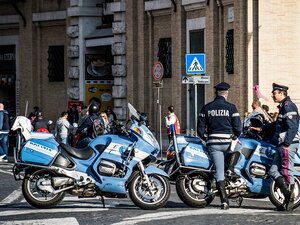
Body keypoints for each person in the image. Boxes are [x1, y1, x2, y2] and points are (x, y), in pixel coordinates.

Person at [251, 83, 299, 211]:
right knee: (273, 171)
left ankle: (291, 200)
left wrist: (287, 143)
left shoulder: (289, 107)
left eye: (274, 93)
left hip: (288, 144)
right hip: (281, 144)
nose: (272, 95)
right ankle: (287, 196)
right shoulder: (283, 107)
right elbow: (276, 125)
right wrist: (261, 128)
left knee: (286, 172)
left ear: (281, 93)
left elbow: (293, 127)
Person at [197, 82, 242, 210]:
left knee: (219, 173)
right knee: (239, 148)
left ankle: (224, 202)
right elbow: (238, 127)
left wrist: (206, 138)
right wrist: (235, 135)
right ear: (226, 93)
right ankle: (231, 169)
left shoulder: (206, 108)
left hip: (213, 144)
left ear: (216, 93)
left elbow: (200, 128)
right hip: (228, 142)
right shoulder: (231, 108)